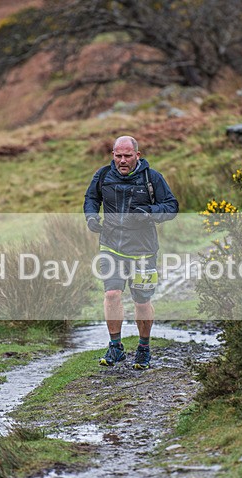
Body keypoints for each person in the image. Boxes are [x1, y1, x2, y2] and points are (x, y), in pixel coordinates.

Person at [83, 135, 179, 369]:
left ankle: (143, 349)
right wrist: (92, 217)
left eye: (127, 156)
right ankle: (115, 347)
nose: (122, 160)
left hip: (143, 249)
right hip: (111, 245)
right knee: (112, 294)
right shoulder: (103, 175)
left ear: (138, 155)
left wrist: (149, 211)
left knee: (141, 300)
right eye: (118, 156)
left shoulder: (152, 178)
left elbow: (171, 207)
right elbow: (91, 198)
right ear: (112, 155)